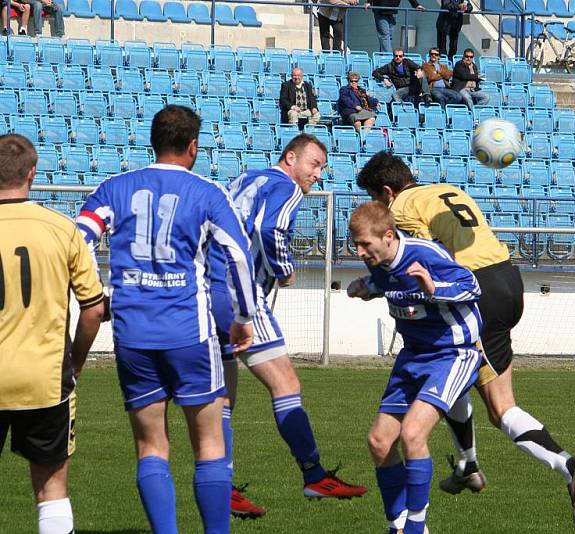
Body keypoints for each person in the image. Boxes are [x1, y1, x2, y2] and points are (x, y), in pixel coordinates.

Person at [356, 151, 575, 529]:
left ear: (386, 192)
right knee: (460, 375)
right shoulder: (445, 189)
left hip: (475, 289)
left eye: (376, 199)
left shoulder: (400, 208)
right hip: (508, 278)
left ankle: (568, 468)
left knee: (497, 404)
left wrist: (380, 286)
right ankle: (467, 465)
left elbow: (417, 261)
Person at [76, 105, 257, 534]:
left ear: (152, 141)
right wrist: (244, 316)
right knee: (209, 444)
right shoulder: (209, 192)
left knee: (150, 446)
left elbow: (77, 239)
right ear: (193, 146)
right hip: (189, 334)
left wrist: (95, 294)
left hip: (132, 335)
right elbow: (238, 256)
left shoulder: (113, 188)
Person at [208, 133, 368, 514]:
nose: (317, 175)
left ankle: (222, 487)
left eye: (322, 168)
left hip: (207, 288)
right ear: (290, 157)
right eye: (314, 164)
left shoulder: (246, 179)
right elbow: (269, 230)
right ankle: (314, 476)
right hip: (240, 293)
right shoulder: (287, 188)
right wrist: (284, 270)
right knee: (286, 384)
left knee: (224, 396)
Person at [348, 200, 484, 534]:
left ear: (389, 236)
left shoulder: (426, 254)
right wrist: (367, 289)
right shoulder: (380, 263)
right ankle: (398, 525)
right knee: (380, 442)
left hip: (452, 353)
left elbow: (473, 286)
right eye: (356, 245)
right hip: (412, 356)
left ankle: (415, 528)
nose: (360, 251)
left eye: (365, 244)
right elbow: (390, 284)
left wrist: (434, 288)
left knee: (412, 434)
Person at [0, 134, 105, 534]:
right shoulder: (62, 229)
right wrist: (73, 365)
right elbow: (94, 309)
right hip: (44, 381)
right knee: (52, 490)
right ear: (32, 173)